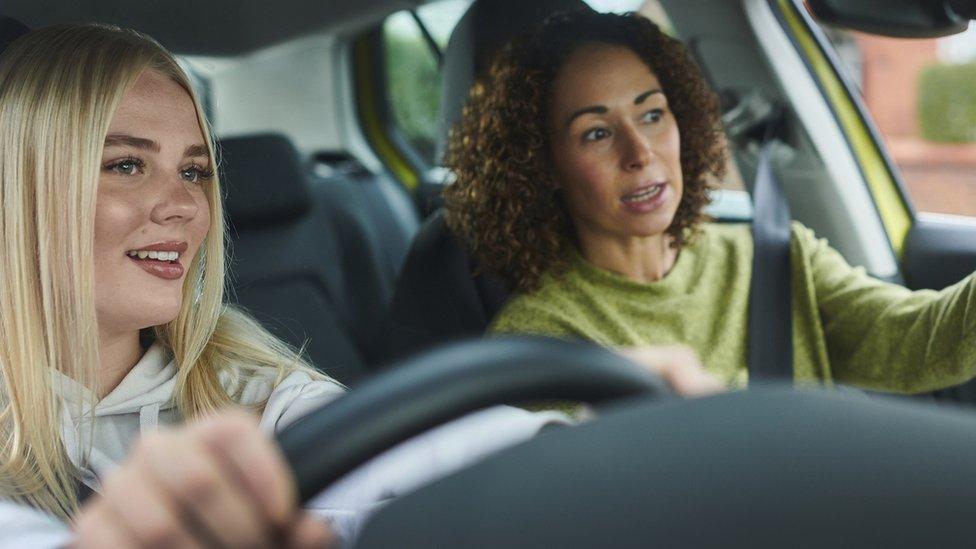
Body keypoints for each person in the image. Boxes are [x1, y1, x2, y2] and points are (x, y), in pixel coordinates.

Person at [0, 22, 605, 548]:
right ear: (20, 189)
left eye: (194, 171)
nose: (185, 205)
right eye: (126, 165)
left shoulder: (244, 386)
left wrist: (593, 448)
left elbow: (407, 456)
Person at [444, 9, 976, 392]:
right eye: (596, 133)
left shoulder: (775, 256)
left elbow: (921, 342)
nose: (640, 153)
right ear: (544, 166)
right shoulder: (538, 342)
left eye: (652, 114)